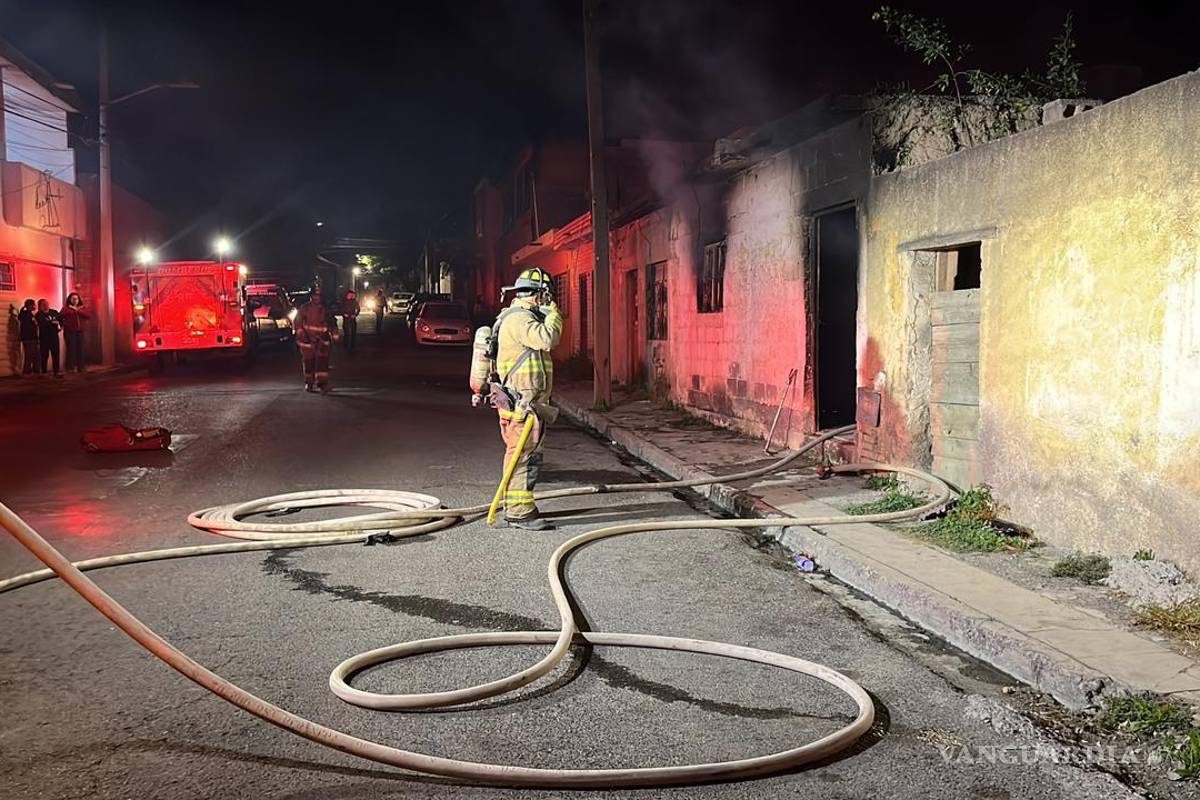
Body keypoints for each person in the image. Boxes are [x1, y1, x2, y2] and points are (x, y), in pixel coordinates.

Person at [492, 267, 563, 530]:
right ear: (540, 295)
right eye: (547, 296)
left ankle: (519, 508)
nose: (549, 301)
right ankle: (519, 512)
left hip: (526, 401)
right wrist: (554, 315)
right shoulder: (520, 319)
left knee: (523, 453)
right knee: (523, 455)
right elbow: (547, 339)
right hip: (523, 403)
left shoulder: (520, 317)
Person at [293, 287, 340, 393]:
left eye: (318, 296)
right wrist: (302, 335)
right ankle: (309, 383)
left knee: (322, 363)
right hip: (307, 341)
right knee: (308, 362)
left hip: (322, 340)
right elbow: (298, 322)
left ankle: (322, 384)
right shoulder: (304, 308)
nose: (316, 298)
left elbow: (332, 323)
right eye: (314, 296)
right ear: (311, 296)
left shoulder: (326, 309)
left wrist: (335, 335)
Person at [60, 292, 90, 373]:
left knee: (81, 349)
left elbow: (88, 316)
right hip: (70, 332)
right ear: (69, 300)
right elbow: (60, 317)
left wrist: (78, 311)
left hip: (80, 331)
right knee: (71, 349)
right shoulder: (66, 309)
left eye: (76, 299)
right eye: (73, 299)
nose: (75, 300)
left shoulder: (83, 308)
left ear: (79, 300)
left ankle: (81, 367)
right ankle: (70, 368)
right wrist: (64, 325)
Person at [36, 298, 63, 378]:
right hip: (44, 337)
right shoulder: (39, 314)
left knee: (56, 354)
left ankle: (56, 371)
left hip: (54, 336)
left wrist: (60, 326)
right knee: (44, 355)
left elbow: (61, 320)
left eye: (47, 303)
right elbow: (42, 324)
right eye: (43, 304)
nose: (46, 305)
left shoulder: (54, 312)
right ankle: (44, 371)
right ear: (40, 306)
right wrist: (52, 322)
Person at [17, 299, 39, 375]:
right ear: (29, 305)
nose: (34, 306)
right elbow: (22, 319)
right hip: (28, 338)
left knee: (35, 354)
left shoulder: (30, 314)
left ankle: (34, 370)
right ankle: (27, 371)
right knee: (29, 355)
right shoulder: (24, 314)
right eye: (33, 305)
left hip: (33, 337)